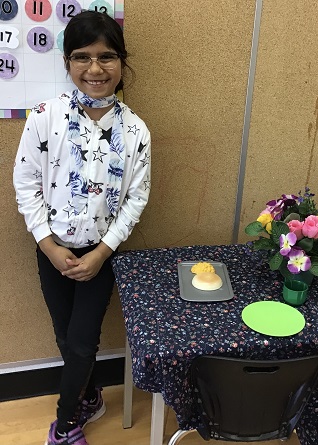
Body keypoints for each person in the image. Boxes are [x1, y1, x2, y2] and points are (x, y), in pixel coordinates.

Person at [12, 10, 151, 445]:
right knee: (63, 334)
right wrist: (49, 245)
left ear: (121, 64)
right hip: (51, 250)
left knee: (82, 343)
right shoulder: (44, 117)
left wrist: (101, 252)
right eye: (82, 57)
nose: (95, 68)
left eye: (106, 56)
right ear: (67, 63)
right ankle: (90, 395)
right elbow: (25, 182)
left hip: (101, 255)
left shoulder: (135, 131)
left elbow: (136, 198)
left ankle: (66, 423)